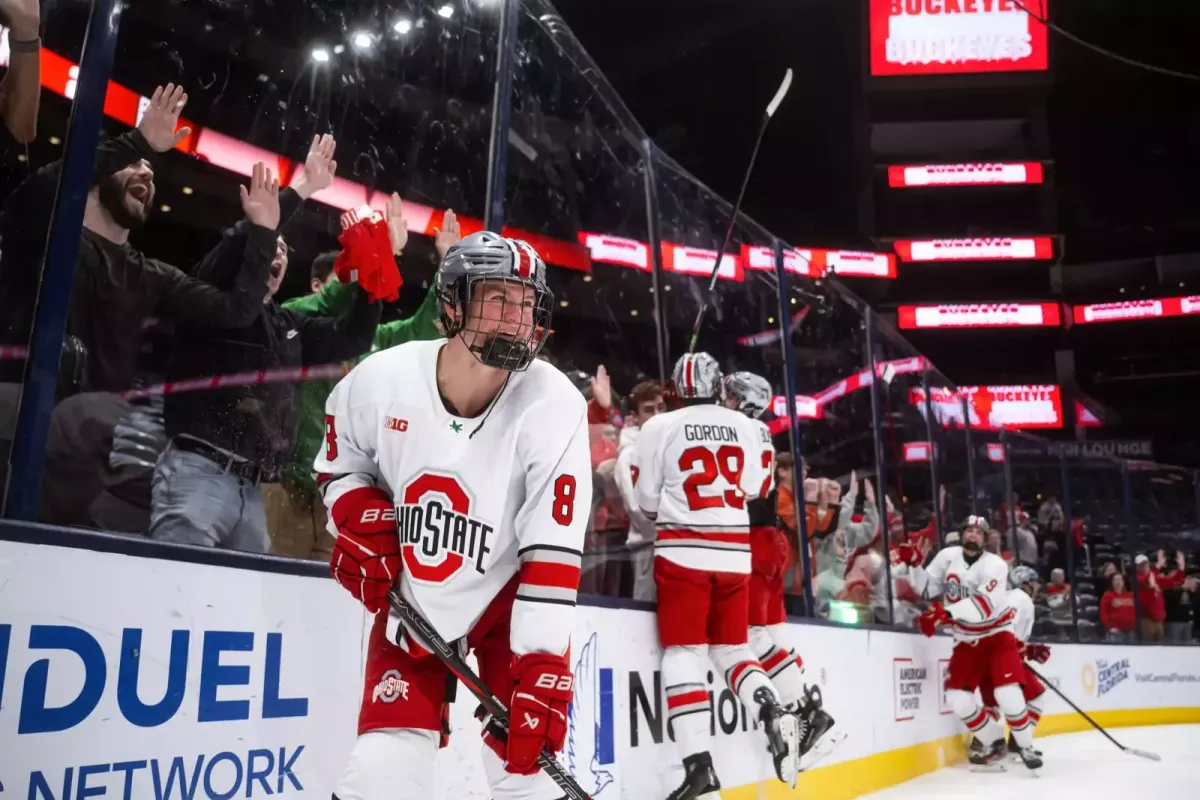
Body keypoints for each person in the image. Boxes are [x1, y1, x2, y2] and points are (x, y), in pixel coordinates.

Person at [315, 231, 591, 800]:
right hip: (415, 593)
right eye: (497, 298)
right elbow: (339, 467)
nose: (515, 317)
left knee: (526, 775)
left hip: (508, 598)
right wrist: (355, 516)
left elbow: (551, 553)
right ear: (451, 302)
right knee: (381, 771)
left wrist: (540, 664)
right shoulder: (378, 382)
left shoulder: (555, 403)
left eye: (525, 302)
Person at [152, 140, 383, 553]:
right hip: (198, 468)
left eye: (283, 250)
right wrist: (302, 190)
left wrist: (370, 283)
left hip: (254, 487)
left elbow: (354, 338)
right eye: (268, 246)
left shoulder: (287, 325)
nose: (276, 253)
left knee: (237, 608)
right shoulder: (211, 292)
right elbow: (239, 252)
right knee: (169, 585)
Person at [633, 353, 798, 798]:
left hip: (683, 552)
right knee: (733, 648)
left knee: (683, 655)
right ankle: (771, 706)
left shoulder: (658, 427)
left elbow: (646, 503)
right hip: (734, 554)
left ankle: (699, 767)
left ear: (676, 386)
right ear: (716, 385)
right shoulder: (749, 427)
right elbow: (757, 489)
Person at [266, 200, 458, 561]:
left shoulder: (374, 341)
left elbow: (422, 331)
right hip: (285, 483)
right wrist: (378, 251)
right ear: (318, 285)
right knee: (265, 590)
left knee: (323, 600)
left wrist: (446, 266)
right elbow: (325, 305)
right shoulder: (293, 321)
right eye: (340, 287)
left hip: (337, 494)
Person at [722, 370, 838, 771]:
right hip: (767, 541)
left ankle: (806, 712)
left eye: (732, 396)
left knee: (750, 634)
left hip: (752, 541)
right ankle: (808, 704)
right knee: (772, 634)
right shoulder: (759, 433)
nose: (725, 400)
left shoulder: (735, 430)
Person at [909, 515, 1043, 772]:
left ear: (985, 538)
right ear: (962, 534)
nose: (973, 535)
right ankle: (994, 741)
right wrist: (914, 565)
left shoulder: (995, 565)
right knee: (957, 699)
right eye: (968, 531)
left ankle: (1026, 745)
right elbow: (925, 590)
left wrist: (945, 614)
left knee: (1007, 692)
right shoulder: (947, 556)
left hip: (997, 636)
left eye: (978, 532)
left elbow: (983, 606)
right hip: (966, 640)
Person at [974, 565, 1050, 761]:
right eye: (1034, 583)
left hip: (983, 655)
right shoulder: (1022, 599)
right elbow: (1009, 629)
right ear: (1026, 583)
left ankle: (981, 744)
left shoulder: (1003, 597)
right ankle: (1019, 745)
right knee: (1036, 698)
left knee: (992, 704)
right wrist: (1018, 650)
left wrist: (1026, 650)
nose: (1037, 587)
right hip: (1003, 656)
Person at [612, 379, 667, 601]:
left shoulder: (672, 446)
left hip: (677, 547)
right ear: (634, 417)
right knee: (647, 622)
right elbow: (638, 510)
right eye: (648, 410)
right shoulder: (629, 455)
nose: (657, 414)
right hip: (648, 548)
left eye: (661, 408)